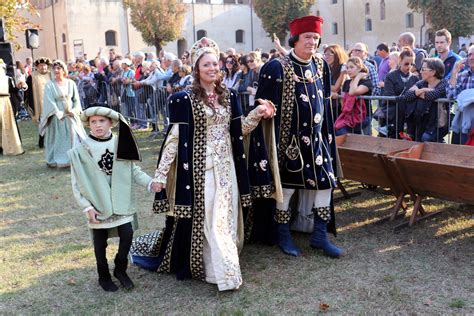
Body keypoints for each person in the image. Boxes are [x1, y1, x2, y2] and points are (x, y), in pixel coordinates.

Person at [129, 37, 274, 291]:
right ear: (196, 69)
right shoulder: (183, 100)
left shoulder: (228, 96)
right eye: (206, 65)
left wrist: (256, 114)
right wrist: (160, 174)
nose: (212, 69)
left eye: (215, 64)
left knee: (226, 216)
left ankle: (219, 262)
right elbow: (173, 139)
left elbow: (237, 130)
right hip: (201, 169)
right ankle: (221, 272)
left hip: (227, 165)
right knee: (211, 217)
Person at [247, 16, 342, 258]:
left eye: (316, 37)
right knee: (286, 188)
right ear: (295, 39)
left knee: (325, 185)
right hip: (287, 143)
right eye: (308, 37)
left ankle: (320, 236)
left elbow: (326, 105)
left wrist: (329, 139)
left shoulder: (321, 66)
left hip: (318, 141)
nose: (313, 41)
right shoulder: (277, 67)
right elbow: (262, 106)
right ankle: (283, 234)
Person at [68, 106, 161, 292]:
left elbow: (133, 170)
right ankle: (103, 276)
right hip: (98, 203)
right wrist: (87, 207)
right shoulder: (82, 149)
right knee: (100, 242)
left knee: (127, 234)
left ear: (111, 122)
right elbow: (76, 182)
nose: (97, 125)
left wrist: (150, 183)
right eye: (93, 122)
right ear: (89, 125)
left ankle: (120, 269)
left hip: (121, 201)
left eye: (102, 121)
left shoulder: (121, 143)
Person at [39, 60, 85, 168]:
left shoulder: (71, 83)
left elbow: (76, 100)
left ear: (64, 70)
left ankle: (74, 159)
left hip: (71, 115)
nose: (56, 70)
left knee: (74, 135)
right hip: (58, 117)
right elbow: (49, 101)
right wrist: (59, 114)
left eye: (58, 68)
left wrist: (73, 110)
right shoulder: (50, 85)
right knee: (59, 138)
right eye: (54, 68)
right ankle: (59, 160)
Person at [398, 58, 448, 142]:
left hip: (435, 124)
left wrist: (416, 93)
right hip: (420, 121)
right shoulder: (422, 83)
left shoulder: (443, 84)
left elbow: (433, 95)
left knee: (427, 139)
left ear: (433, 72)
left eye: (423, 69)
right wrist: (422, 90)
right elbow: (407, 95)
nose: (420, 71)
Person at [379, 48, 419, 138]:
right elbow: (390, 96)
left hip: (409, 117)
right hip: (392, 117)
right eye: (406, 63)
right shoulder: (391, 76)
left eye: (411, 64)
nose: (409, 66)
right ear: (400, 61)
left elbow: (416, 96)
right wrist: (407, 98)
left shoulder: (415, 79)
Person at [334, 57, 373, 136]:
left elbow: (352, 92)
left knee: (342, 132)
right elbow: (343, 100)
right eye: (347, 67)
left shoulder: (367, 82)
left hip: (363, 117)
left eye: (351, 67)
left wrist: (358, 77)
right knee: (338, 130)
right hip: (348, 116)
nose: (348, 70)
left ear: (359, 68)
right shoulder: (347, 82)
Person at [447, 45, 474, 144]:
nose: (471, 57)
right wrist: (454, 72)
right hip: (463, 125)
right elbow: (451, 95)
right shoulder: (463, 75)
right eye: (469, 54)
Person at [25, 57, 53, 148]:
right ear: (37, 67)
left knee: (53, 123)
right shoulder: (32, 77)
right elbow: (27, 91)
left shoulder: (51, 75)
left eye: (44, 65)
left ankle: (52, 141)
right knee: (43, 123)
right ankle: (42, 141)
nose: (43, 67)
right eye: (41, 65)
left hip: (52, 104)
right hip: (40, 105)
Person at [0, 59, 24, 155]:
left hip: (5, 102)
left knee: (7, 124)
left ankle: (8, 146)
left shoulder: (8, 79)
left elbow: (13, 90)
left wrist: (19, 86)